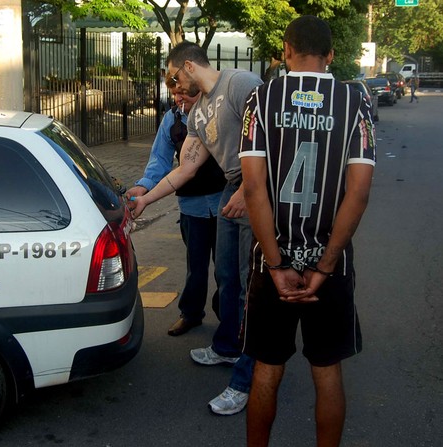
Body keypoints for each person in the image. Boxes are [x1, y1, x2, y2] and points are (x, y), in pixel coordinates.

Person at [238, 15, 376, 446]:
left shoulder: (260, 100)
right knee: (327, 369)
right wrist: (325, 264)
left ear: (285, 50)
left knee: (266, 367)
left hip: (270, 261)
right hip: (329, 266)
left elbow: (254, 188)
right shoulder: (356, 103)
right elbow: (358, 193)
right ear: (331, 55)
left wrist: (277, 265)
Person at [129, 41, 263, 415]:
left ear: (188, 67)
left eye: (173, 81)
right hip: (231, 193)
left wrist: (251, 190)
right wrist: (146, 199)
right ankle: (227, 347)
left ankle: (247, 377)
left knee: (247, 285)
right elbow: (183, 169)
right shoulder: (197, 114)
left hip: (255, 191)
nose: (173, 91)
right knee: (226, 276)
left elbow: (273, 140)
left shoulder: (241, 83)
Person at [127, 82, 226, 336]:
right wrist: (143, 187)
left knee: (227, 269)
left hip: (225, 203)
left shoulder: (219, 112)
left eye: (184, 92)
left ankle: (229, 317)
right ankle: (191, 314)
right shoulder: (172, 119)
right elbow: (159, 159)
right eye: (175, 93)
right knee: (196, 266)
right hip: (192, 206)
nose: (180, 98)